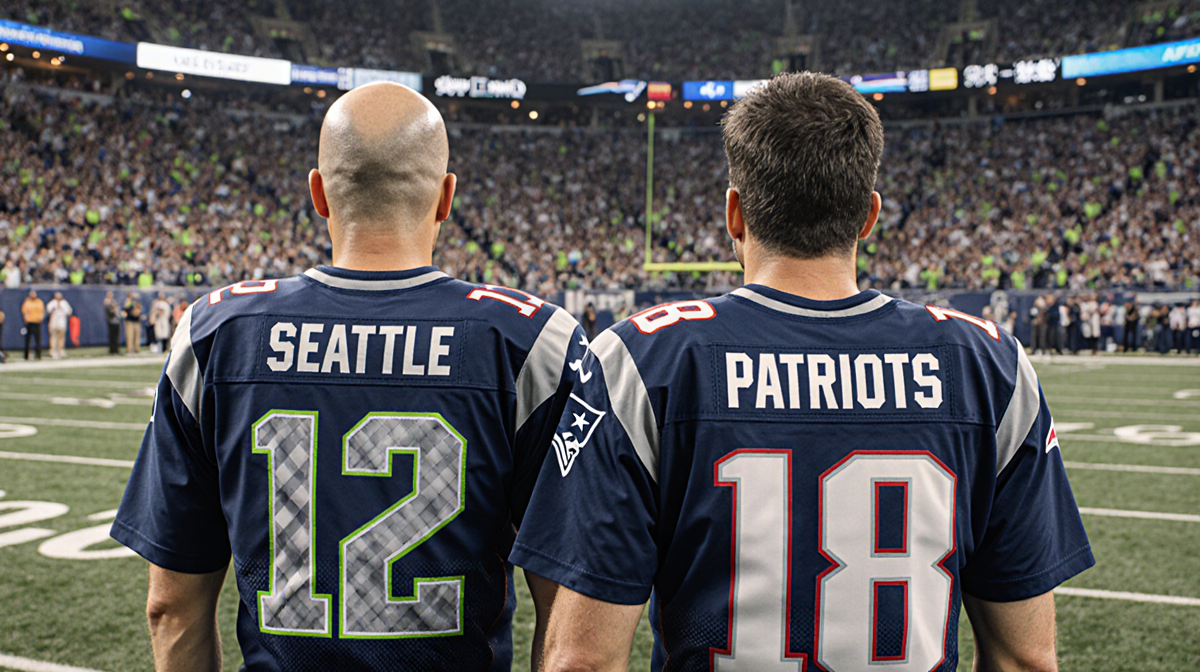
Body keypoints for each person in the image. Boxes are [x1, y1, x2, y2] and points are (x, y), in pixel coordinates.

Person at [511, 73, 1093, 672]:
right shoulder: (987, 364)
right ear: (869, 217)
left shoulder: (643, 358)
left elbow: (581, 660)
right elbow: (1024, 659)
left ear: (734, 215)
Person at [111, 82, 585, 672]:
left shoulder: (216, 334)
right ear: (445, 198)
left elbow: (171, 607)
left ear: (319, 193)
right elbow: (569, 621)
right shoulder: (528, 340)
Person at [45, 291, 73, 360]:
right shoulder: (52, 303)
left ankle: (61, 350)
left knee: (61, 338)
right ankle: (53, 351)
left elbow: (69, 311)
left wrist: (62, 309)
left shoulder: (64, 303)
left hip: (62, 324)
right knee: (53, 338)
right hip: (53, 323)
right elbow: (48, 310)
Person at [21, 290, 44, 360]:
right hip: (29, 323)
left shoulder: (39, 302)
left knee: (38, 340)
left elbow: (42, 311)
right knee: (27, 340)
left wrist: (39, 318)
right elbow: (24, 311)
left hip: (37, 322)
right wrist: (26, 319)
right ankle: (26, 355)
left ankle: (39, 355)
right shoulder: (27, 302)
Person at [104, 291, 121, 355]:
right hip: (111, 321)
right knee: (112, 336)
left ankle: (116, 350)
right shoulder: (107, 302)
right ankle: (112, 350)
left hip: (116, 321)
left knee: (116, 336)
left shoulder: (113, 301)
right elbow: (109, 312)